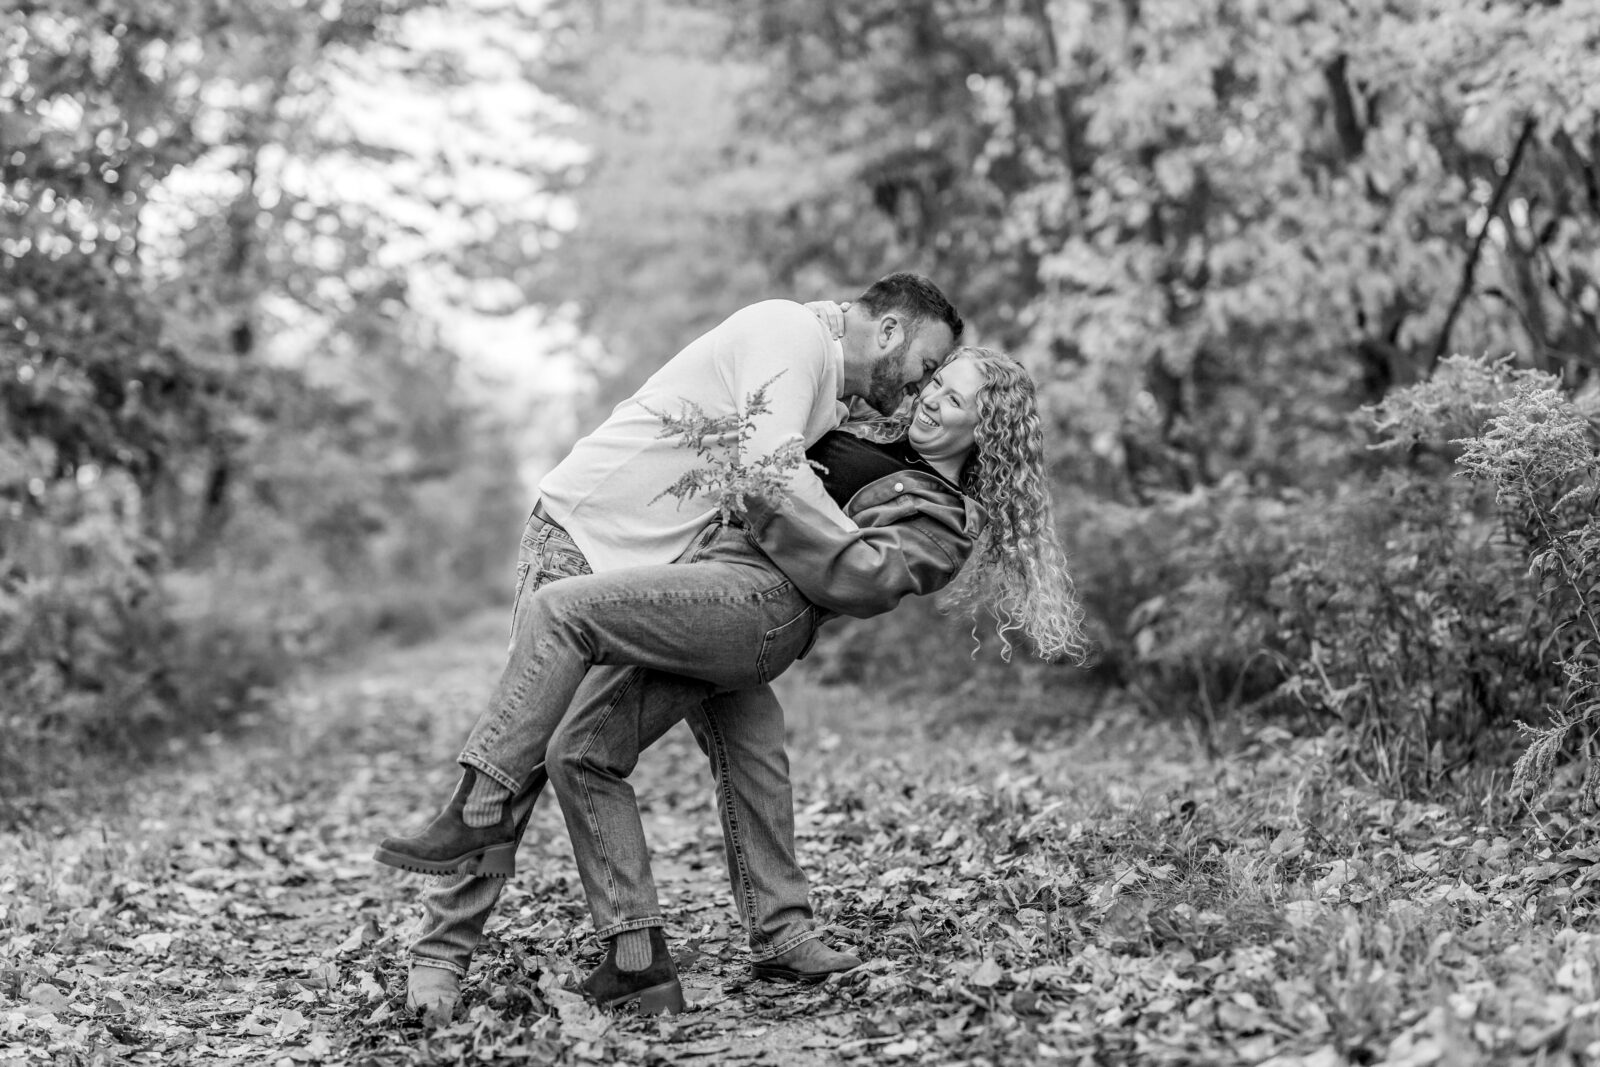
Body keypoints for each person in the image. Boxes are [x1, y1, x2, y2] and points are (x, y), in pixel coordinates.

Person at [378, 346, 1086, 1015]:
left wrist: (770, 500)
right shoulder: (868, 429)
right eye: (936, 383)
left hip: (754, 604)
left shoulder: (940, 513)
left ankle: (478, 810)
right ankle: (659, 958)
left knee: (560, 611)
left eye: (954, 398)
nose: (931, 399)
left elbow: (866, 576)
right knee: (598, 750)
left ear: (983, 427)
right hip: (711, 583)